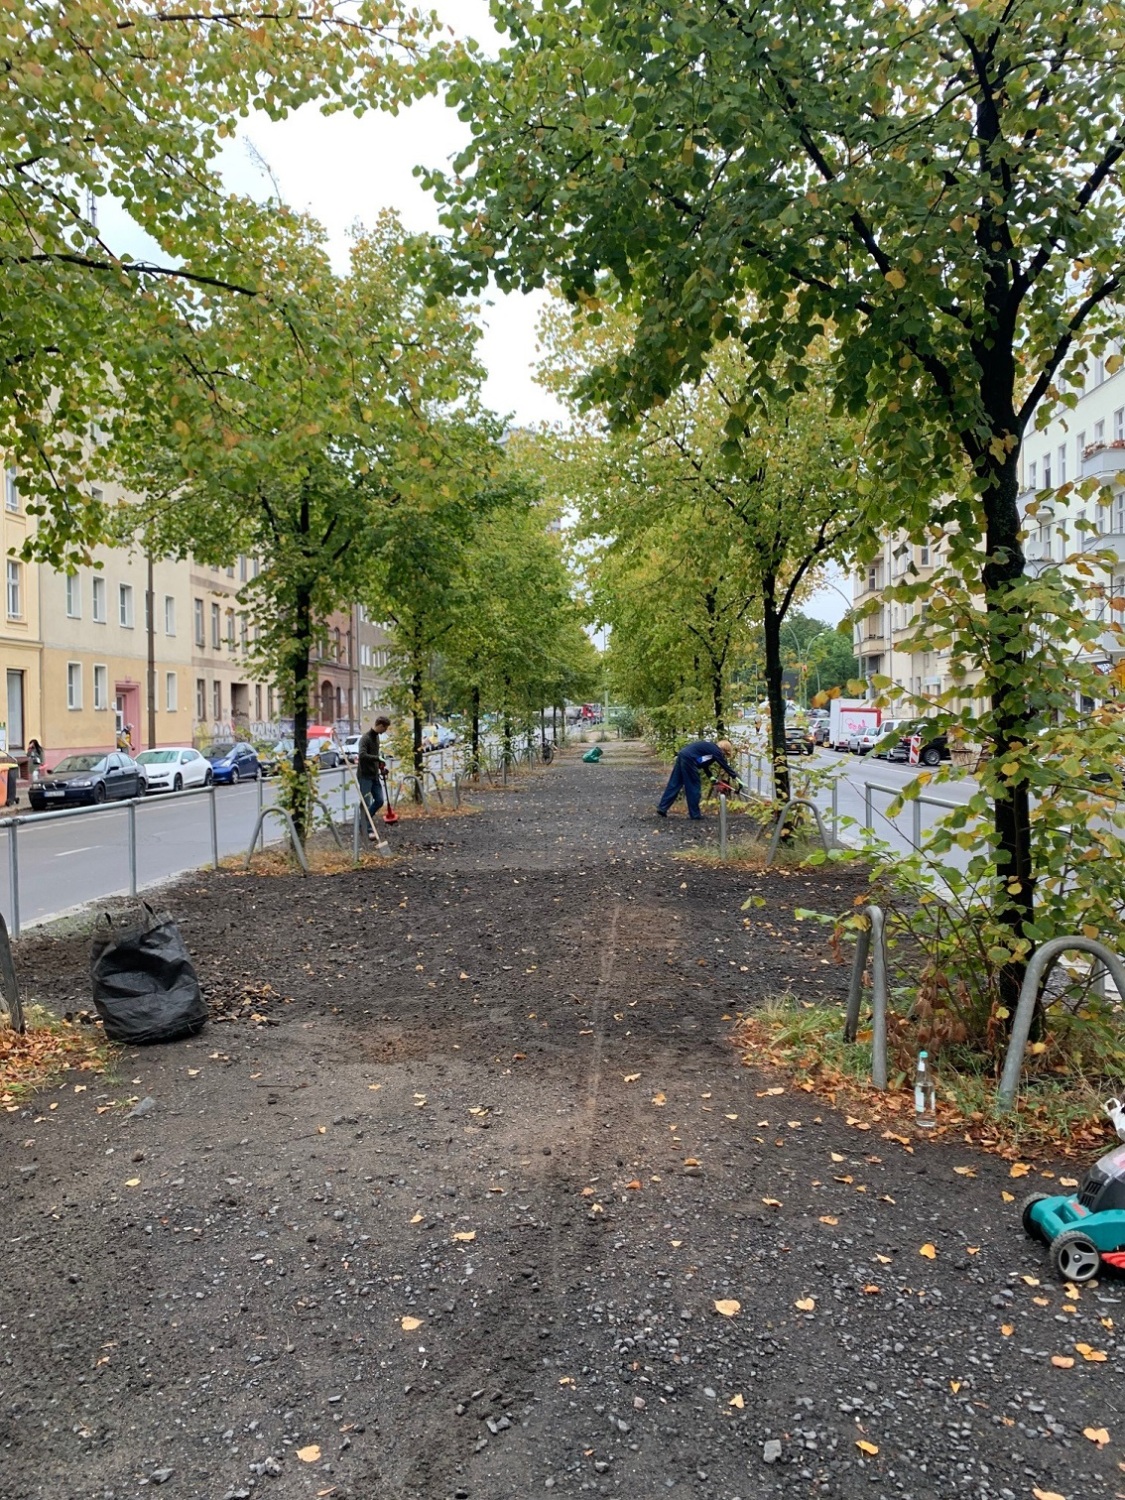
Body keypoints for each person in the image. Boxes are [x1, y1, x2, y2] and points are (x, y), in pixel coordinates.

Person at [657, 738, 740, 820]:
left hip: (683, 754)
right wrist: (735, 777)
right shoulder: (716, 751)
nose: (723, 756)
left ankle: (662, 807)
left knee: (675, 783)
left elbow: (703, 763)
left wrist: (710, 776)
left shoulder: (710, 749)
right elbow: (724, 765)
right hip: (689, 759)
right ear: (724, 750)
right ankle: (695, 814)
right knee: (693, 786)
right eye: (725, 754)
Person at [356, 714, 391, 838]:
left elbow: (376, 757)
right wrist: (377, 758)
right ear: (380, 725)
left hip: (375, 775)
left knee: (380, 800)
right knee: (366, 802)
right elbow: (362, 755)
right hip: (365, 776)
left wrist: (381, 766)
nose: (385, 731)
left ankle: (362, 823)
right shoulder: (365, 738)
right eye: (385, 728)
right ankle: (368, 828)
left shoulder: (377, 738)